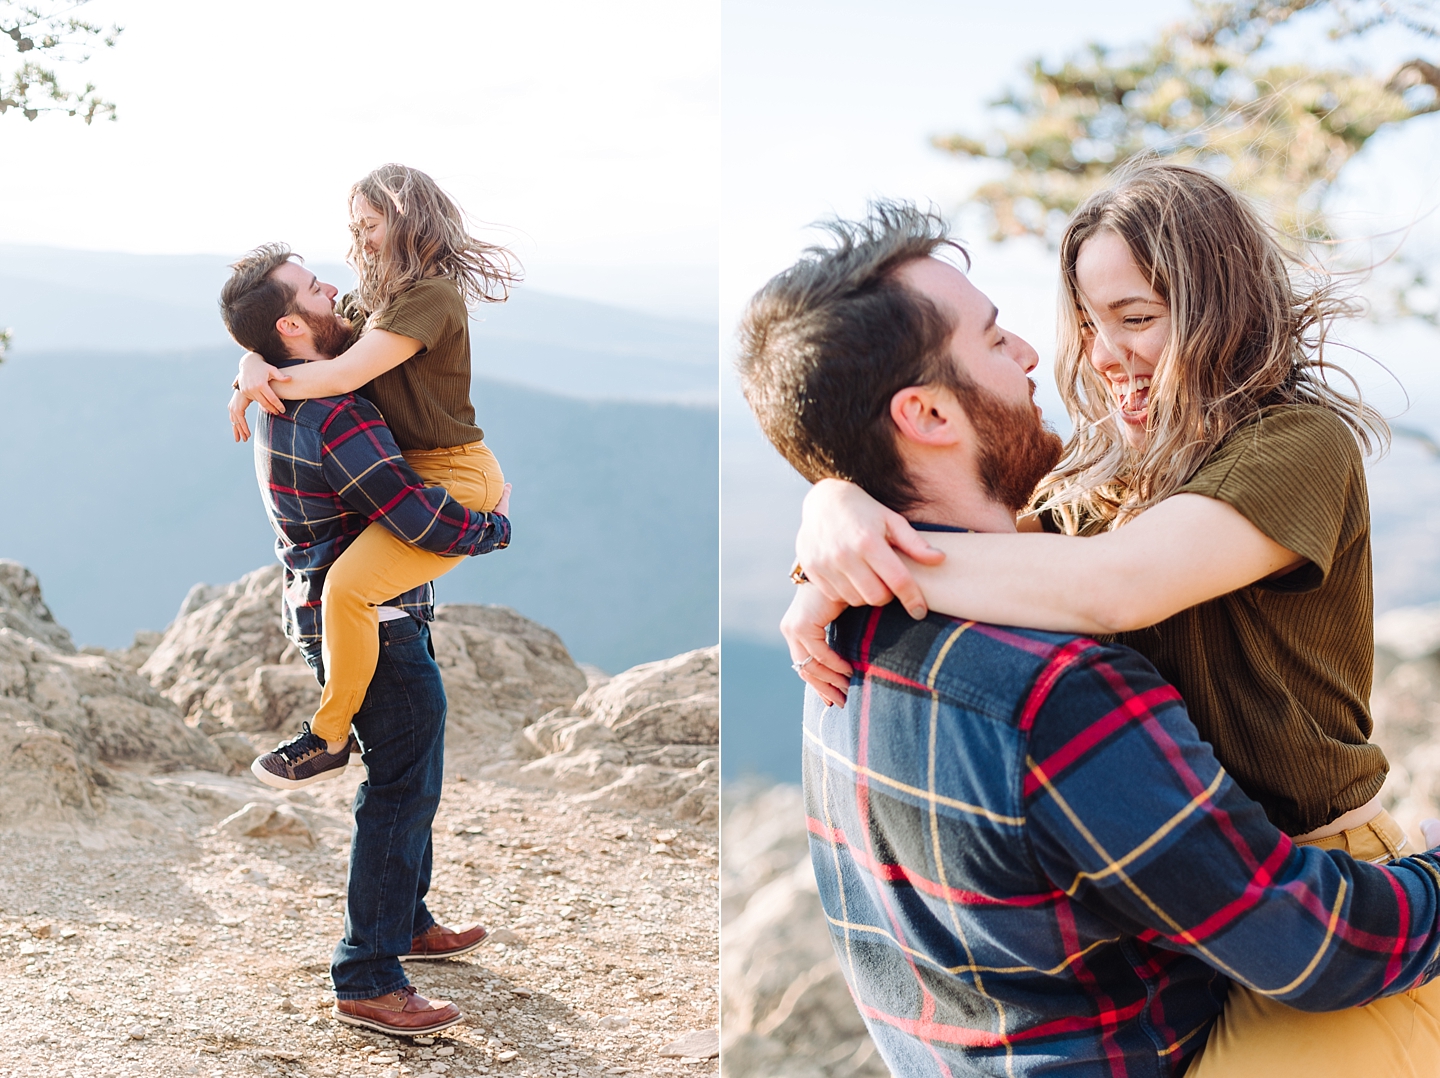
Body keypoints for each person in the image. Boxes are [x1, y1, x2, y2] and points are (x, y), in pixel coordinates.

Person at [736, 201, 1440, 1076]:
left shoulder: (1294, 443)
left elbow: (1116, 588)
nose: (1095, 356)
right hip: (1208, 897)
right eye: (1085, 324)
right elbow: (1007, 551)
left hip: (1324, 883)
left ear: (1226, 312)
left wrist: (854, 550)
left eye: (1137, 319)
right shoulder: (1104, 476)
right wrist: (835, 517)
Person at [220, 243, 509, 1034]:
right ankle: (368, 975)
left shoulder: (281, 384)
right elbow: (415, 513)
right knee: (399, 793)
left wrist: (252, 356)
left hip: (329, 608)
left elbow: (286, 340)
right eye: (318, 289)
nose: (337, 291)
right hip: (372, 627)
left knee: (409, 778)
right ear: (293, 323)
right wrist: (493, 525)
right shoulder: (337, 412)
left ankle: (408, 921)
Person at [229, 163, 519, 785]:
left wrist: (256, 378)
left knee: (348, 589)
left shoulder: (430, 298)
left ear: (409, 222)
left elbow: (335, 376)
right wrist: (252, 358)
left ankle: (329, 738)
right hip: (418, 473)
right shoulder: (375, 303)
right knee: (355, 596)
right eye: (355, 225)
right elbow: (304, 335)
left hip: (456, 475)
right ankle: (341, 737)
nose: (359, 239)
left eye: (371, 225)